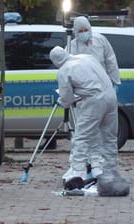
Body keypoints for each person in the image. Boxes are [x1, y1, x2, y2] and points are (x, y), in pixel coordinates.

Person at [49, 46, 119, 182]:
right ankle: (110, 172)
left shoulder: (64, 70)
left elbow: (67, 98)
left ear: (55, 61)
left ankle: (77, 173)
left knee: (82, 136)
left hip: (94, 100)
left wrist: (63, 101)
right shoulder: (88, 58)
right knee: (109, 137)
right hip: (111, 96)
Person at [71, 16, 121, 86]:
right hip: (84, 86)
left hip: (103, 83)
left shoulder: (100, 40)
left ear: (89, 29)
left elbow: (111, 60)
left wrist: (113, 81)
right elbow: (68, 67)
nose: (83, 33)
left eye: (85, 30)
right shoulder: (72, 46)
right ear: (76, 32)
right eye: (80, 31)